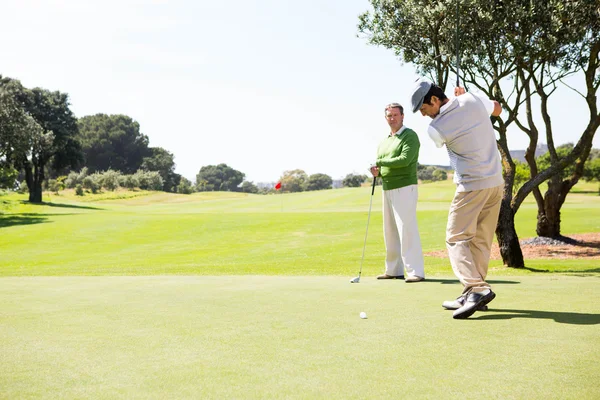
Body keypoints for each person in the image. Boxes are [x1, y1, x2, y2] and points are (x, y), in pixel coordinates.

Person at [411, 78, 503, 319]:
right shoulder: (472, 99)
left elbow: (442, 139)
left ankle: (477, 288)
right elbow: (497, 108)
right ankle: (472, 292)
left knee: (456, 237)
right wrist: (466, 99)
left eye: (424, 109)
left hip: (471, 185)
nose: (424, 116)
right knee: (480, 240)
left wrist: (460, 103)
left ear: (434, 99)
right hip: (496, 183)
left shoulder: (435, 128)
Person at [370, 103, 425, 283]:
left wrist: (380, 161)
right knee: (390, 231)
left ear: (402, 116)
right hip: (387, 187)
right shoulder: (385, 141)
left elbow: (405, 159)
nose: (392, 118)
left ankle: (415, 271)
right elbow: (384, 165)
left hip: (404, 187)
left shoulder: (409, 136)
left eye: (395, 115)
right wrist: (377, 171)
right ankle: (393, 270)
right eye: (389, 116)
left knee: (407, 229)